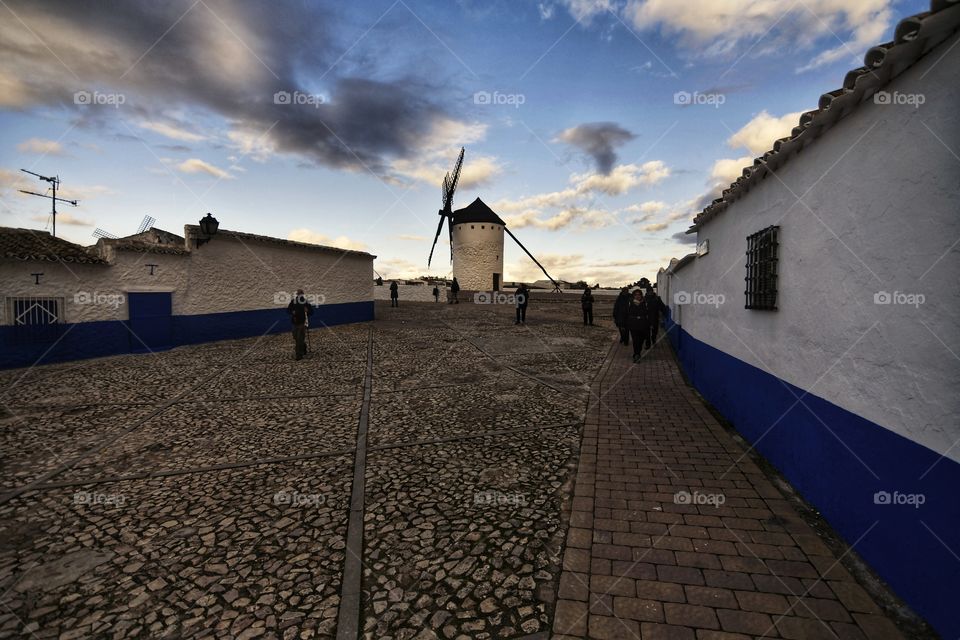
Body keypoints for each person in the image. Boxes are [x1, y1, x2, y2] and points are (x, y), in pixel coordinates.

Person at [287, 289, 313, 361]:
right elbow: (288, 310)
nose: (299, 295)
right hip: (295, 322)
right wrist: (292, 311)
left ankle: (299, 354)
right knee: (295, 337)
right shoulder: (293, 301)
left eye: (300, 294)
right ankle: (304, 347)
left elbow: (311, 311)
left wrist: (307, 311)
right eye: (298, 294)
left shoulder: (305, 302)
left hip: (303, 323)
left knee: (299, 338)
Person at [627, 288, 649, 363]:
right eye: (636, 295)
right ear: (633, 296)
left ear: (641, 295)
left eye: (639, 295)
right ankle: (636, 354)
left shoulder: (645, 303)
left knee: (641, 340)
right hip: (633, 325)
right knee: (635, 340)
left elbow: (649, 313)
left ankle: (638, 352)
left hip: (643, 325)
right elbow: (626, 314)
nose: (637, 296)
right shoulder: (630, 303)